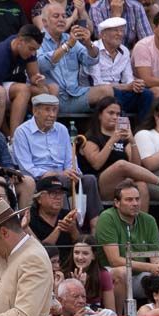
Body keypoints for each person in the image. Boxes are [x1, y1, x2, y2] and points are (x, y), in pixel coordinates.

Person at [13, 93, 102, 225]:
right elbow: (26, 168)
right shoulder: (22, 132)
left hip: (64, 176)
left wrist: (74, 171)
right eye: (47, 110)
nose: (52, 114)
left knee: (89, 180)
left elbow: (70, 158)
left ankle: (95, 227)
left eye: (54, 110)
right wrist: (58, 174)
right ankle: (65, 225)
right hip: (40, 179)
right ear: (35, 111)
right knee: (57, 181)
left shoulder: (62, 129)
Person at [77, 97, 159, 211]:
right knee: (121, 164)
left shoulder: (123, 139)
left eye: (118, 114)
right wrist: (112, 140)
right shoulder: (90, 138)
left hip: (124, 183)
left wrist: (132, 141)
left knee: (142, 186)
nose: (115, 117)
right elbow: (97, 164)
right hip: (101, 185)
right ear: (100, 115)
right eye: (111, 113)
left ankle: (140, 226)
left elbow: (136, 166)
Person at [95, 179, 159, 305]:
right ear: (116, 202)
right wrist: (150, 267)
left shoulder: (149, 220)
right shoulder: (107, 217)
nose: (135, 203)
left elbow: (155, 257)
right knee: (122, 272)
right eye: (129, 200)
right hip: (109, 272)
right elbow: (114, 260)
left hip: (139, 275)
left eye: (137, 199)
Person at [0, 25, 50, 134]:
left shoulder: (27, 47)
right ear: (20, 41)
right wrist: (6, 131)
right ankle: (14, 138)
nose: (33, 53)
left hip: (10, 87)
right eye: (31, 49)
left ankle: (41, 136)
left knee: (44, 92)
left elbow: (33, 75)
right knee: (22, 90)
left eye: (36, 50)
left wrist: (37, 79)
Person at [39, 2, 110, 117]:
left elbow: (91, 60)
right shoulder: (38, 39)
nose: (62, 20)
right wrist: (67, 46)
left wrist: (88, 44)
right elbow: (42, 65)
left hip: (75, 95)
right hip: (53, 96)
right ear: (45, 22)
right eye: (56, 16)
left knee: (107, 91)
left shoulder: (69, 38)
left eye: (64, 16)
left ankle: (94, 132)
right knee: (53, 89)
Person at [89, 16, 154, 121]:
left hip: (119, 92)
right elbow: (97, 83)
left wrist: (135, 85)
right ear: (103, 35)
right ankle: (121, 129)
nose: (120, 34)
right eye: (115, 30)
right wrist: (126, 87)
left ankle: (143, 131)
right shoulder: (93, 49)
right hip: (98, 93)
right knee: (114, 94)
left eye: (122, 31)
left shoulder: (124, 51)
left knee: (147, 94)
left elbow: (128, 79)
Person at [28, 174, 80, 248]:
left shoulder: (68, 215)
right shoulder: (29, 219)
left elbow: (82, 246)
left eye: (61, 193)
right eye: (53, 193)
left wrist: (73, 231)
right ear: (39, 198)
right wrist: (59, 229)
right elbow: (41, 252)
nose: (58, 197)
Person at [69, 238, 117, 312]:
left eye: (85, 253)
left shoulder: (103, 275)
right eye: (76, 252)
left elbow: (111, 312)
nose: (80, 257)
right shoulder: (65, 274)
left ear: (93, 256)